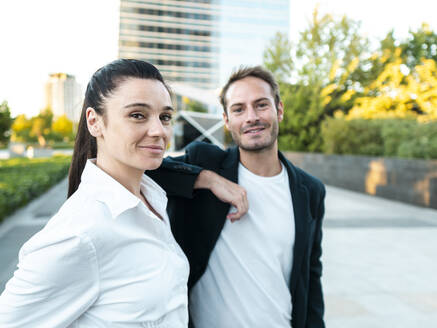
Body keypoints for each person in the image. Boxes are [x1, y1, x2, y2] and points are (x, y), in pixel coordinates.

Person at [0, 59, 194, 327]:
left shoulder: (151, 198)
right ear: (95, 122)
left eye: (165, 117)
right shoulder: (80, 233)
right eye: (137, 115)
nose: (159, 130)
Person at [147, 66, 326, 328]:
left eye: (261, 105)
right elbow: (146, 169)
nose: (251, 117)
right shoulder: (206, 163)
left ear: (279, 110)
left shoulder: (310, 190)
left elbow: (311, 273)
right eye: (239, 109)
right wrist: (208, 179)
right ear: (227, 120)